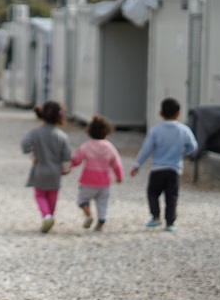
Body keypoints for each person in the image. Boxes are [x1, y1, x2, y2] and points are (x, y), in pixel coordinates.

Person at [130, 98, 198, 232]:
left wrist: (137, 165)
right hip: (174, 169)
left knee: (153, 193)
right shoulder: (183, 130)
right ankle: (170, 223)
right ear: (178, 114)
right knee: (171, 196)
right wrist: (183, 153)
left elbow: (146, 149)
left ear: (160, 113)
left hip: (157, 168)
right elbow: (193, 146)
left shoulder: (156, 130)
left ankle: (156, 217)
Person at [22, 101, 73, 233]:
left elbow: (25, 144)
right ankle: (51, 215)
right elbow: (67, 155)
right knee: (53, 194)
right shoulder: (61, 135)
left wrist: (33, 156)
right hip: (55, 171)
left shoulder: (35, 132)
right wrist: (66, 168)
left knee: (40, 195)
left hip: (40, 168)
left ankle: (46, 216)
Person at [70, 115, 124, 232]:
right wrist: (119, 176)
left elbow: (76, 159)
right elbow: (116, 163)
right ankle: (100, 222)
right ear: (107, 133)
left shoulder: (86, 146)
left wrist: (69, 166)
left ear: (89, 131)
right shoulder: (110, 147)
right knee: (102, 202)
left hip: (88, 180)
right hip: (104, 181)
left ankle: (88, 212)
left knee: (83, 198)